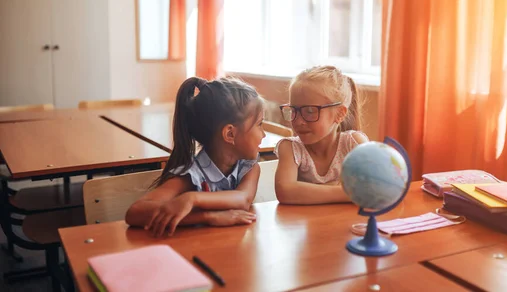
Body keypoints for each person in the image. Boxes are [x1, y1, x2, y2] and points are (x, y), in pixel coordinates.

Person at [125, 77, 266, 237]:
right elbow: (134, 212)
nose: (264, 134)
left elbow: (243, 199)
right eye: (259, 124)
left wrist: (192, 198)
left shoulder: (248, 167)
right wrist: (206, 217)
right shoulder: (191, 176)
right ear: (230, 133)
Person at [274, 66, 369, 205]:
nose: (298, 121)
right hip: (301, 225)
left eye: (310, 111)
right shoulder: (290, 148)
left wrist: (310, 191)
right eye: (294, 110)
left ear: (340, 114)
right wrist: (349, 192)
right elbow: (285, 191)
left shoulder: (354, 143)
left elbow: (372, 188)